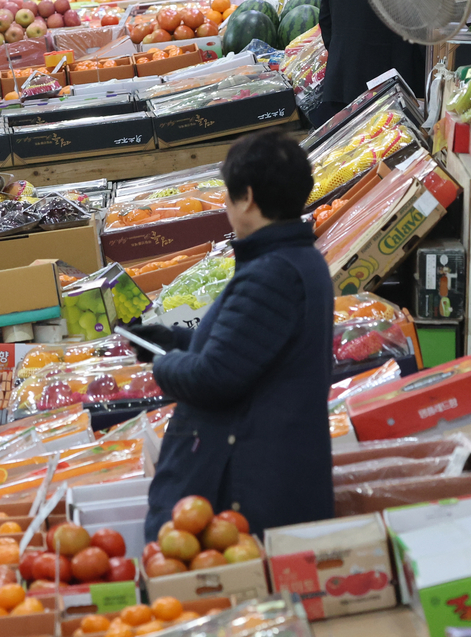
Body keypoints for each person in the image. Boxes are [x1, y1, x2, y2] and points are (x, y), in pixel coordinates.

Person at [133, 130, 333, 539]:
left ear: (248, 199)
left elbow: (215, 377)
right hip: (266, 466)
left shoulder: (273, 272)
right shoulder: (296, 258)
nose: (225, 207)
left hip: (248, 482)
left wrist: (162, 362)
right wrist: (175, 341)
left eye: (228, 196)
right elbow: (252, 350)